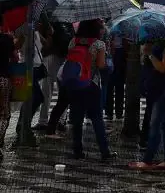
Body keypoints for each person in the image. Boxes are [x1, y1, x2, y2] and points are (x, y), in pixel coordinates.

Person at [66, 19, 115, 160]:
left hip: (75, 84)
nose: (102, 30)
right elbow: (100, 66)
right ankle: (105, 152)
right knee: (97, 119)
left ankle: (77, 150)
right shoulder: (99, 44)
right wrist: (108, 65)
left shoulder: (73, 41)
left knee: (77, 119)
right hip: (91, 84)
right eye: (100, 27)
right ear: (95, 29)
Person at [133, 38, 165, 169]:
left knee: (155, 124)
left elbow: (163, 68)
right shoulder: (153, 43)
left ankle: (148, 160)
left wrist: (150, 54)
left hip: (164, 91)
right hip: (153, 90)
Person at [35, 21, 69, 132]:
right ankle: (61, 120)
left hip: (50, 56)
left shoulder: (49, 19)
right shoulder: (70, 21)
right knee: (63, 92)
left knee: (46, 90)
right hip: (65, 58)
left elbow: (47, 43)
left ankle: (43, 121)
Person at [0, 30, 16, 157]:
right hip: (3, 80)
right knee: (4, 113)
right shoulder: (7, 39)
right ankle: (0, 142)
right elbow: (15, 58)